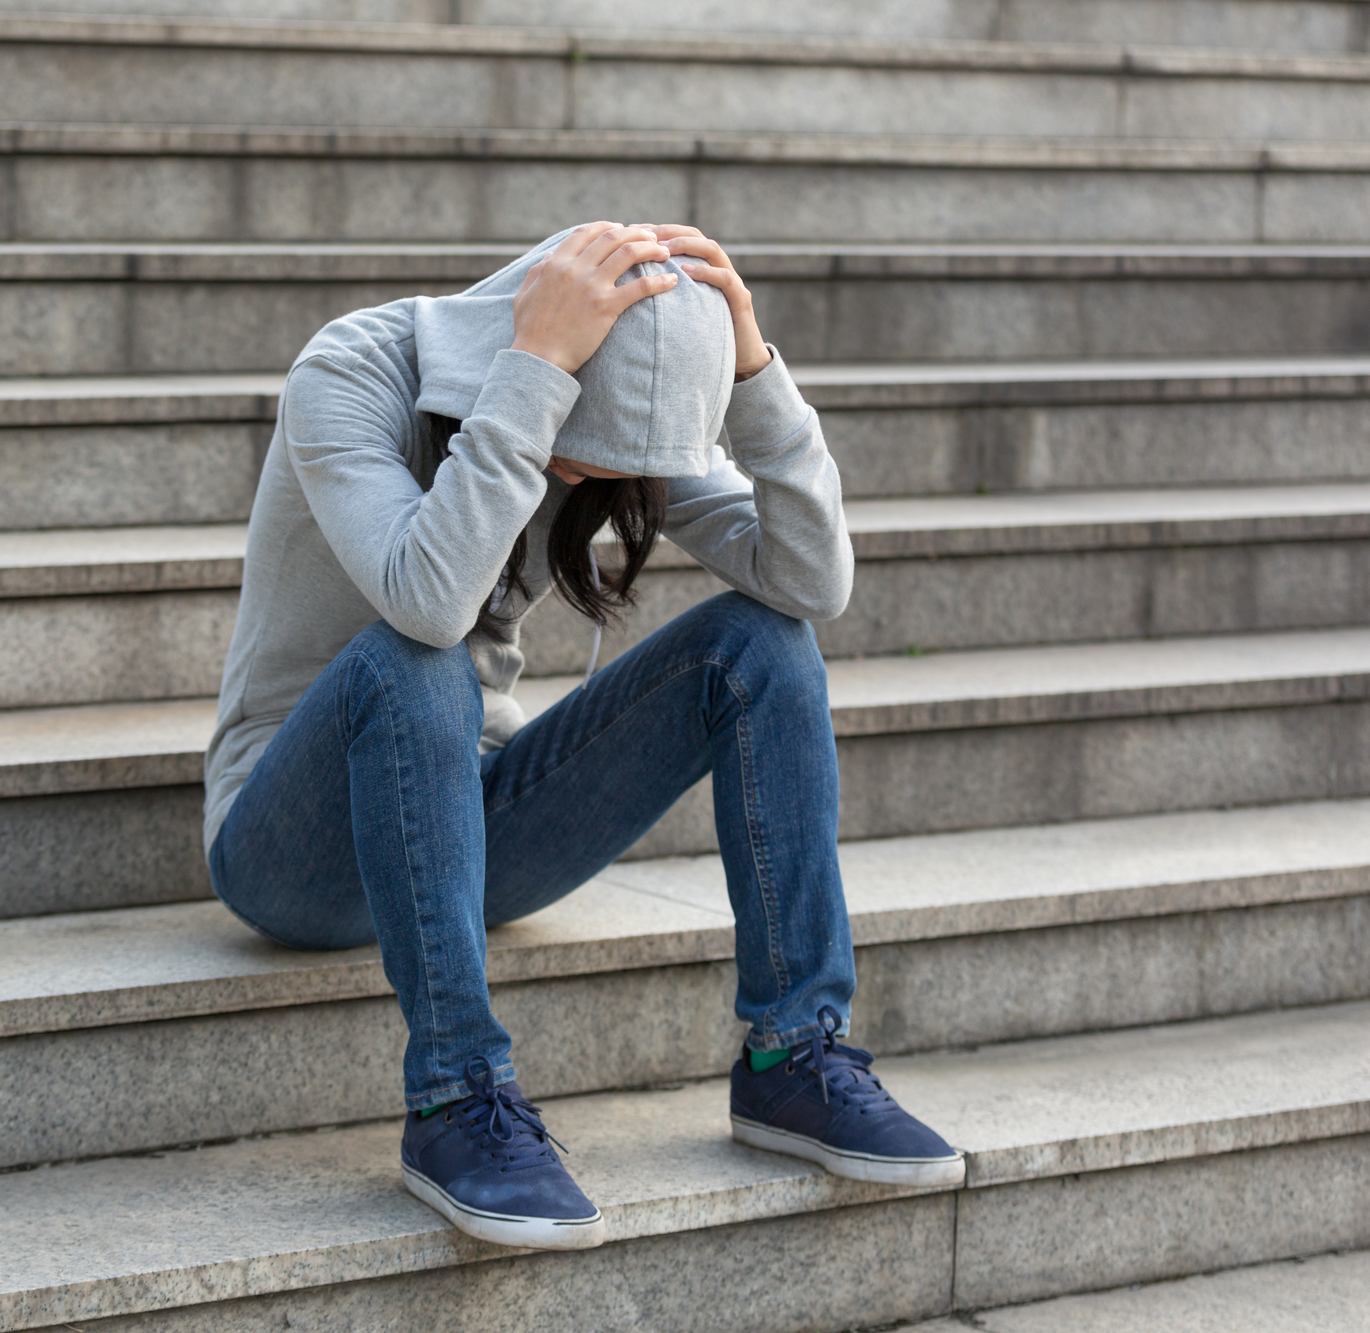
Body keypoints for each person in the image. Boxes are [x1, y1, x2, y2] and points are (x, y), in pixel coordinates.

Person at [204, 222, 963, 1250]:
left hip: (477, 838)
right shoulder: (348, 371)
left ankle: (794, 1053)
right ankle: (455, 1095)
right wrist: (536, 370)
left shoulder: (613, 413)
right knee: (415, 656)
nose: (580, 474)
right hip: (287, 845)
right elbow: (429, 602)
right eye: (577, 443)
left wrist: (750, 371)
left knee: (761, 640)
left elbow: (809, 584)